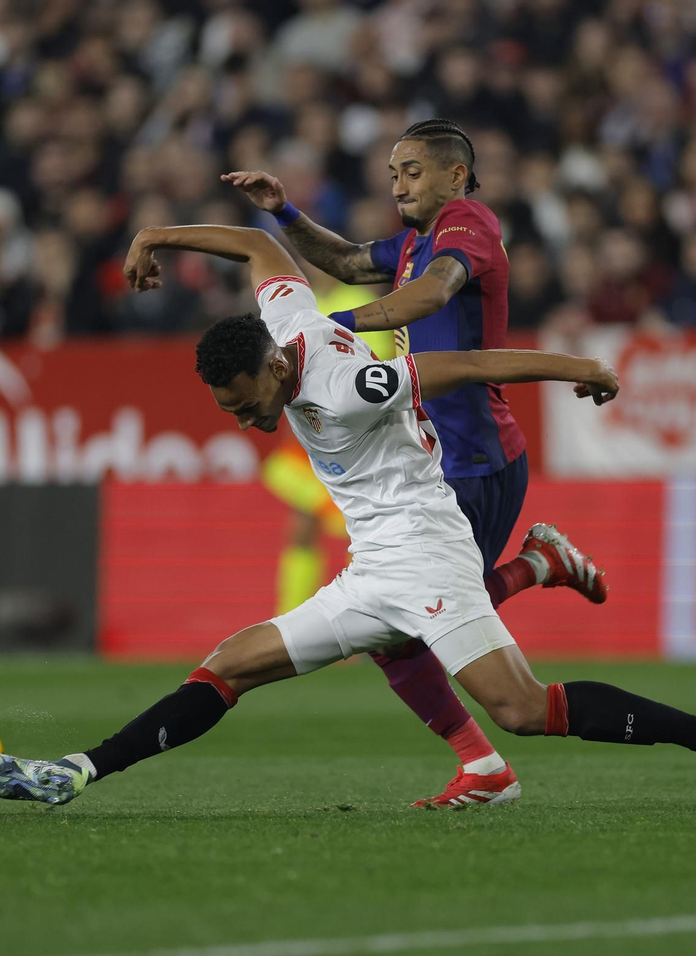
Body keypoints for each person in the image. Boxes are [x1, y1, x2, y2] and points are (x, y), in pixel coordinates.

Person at [0, 223, 696, 808]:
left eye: (246, 403)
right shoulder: (285, 324)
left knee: (522, 709)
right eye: (231, 413)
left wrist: (578, 364)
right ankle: (73, 773)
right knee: (228, 666)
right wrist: (156, 236)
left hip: (428, 550)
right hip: (373, 566)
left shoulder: (342, 382)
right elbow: (259, 245)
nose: (249, 420)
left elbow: (470, 363)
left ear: (270, 371)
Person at [221, 119, 608, 807]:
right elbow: (343, 262)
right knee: (419, 616)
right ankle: (535, 584)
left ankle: (488, 756)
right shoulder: (415, 242)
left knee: (409, 624)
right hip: (434, 457)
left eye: (412, 172)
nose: (398, 184)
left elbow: (431, 295)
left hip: (474, 454)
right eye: (393, 173)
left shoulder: (468, 226)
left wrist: (325, 333)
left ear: (455, 176)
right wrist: (284, 211)